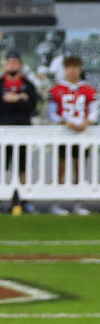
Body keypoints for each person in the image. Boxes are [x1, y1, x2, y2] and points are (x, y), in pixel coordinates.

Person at [45, 55, 96, 216]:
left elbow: (94, 110)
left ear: (80, 69)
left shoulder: (88, 90)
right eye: (69, 67)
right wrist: (66, 122)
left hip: (82, 133)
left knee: (79, 169)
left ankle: (77, 202)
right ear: (65, 69)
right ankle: (56, 202)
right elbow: (51, 112)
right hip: (64, 133)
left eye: (75, 67)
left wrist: (86, 122)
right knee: (61, 168)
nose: (72, 71)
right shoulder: (56, 89)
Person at [0, 50, 39, 207]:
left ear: (20, 64)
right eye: (9, 62)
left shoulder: (28, 84)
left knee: (22, 165)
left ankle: (23, 200)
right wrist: (18, 98)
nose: (12, 65)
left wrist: (14, 99)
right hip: (3, 129)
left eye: (15, 62)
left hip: (22, 129)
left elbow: (30, 106)